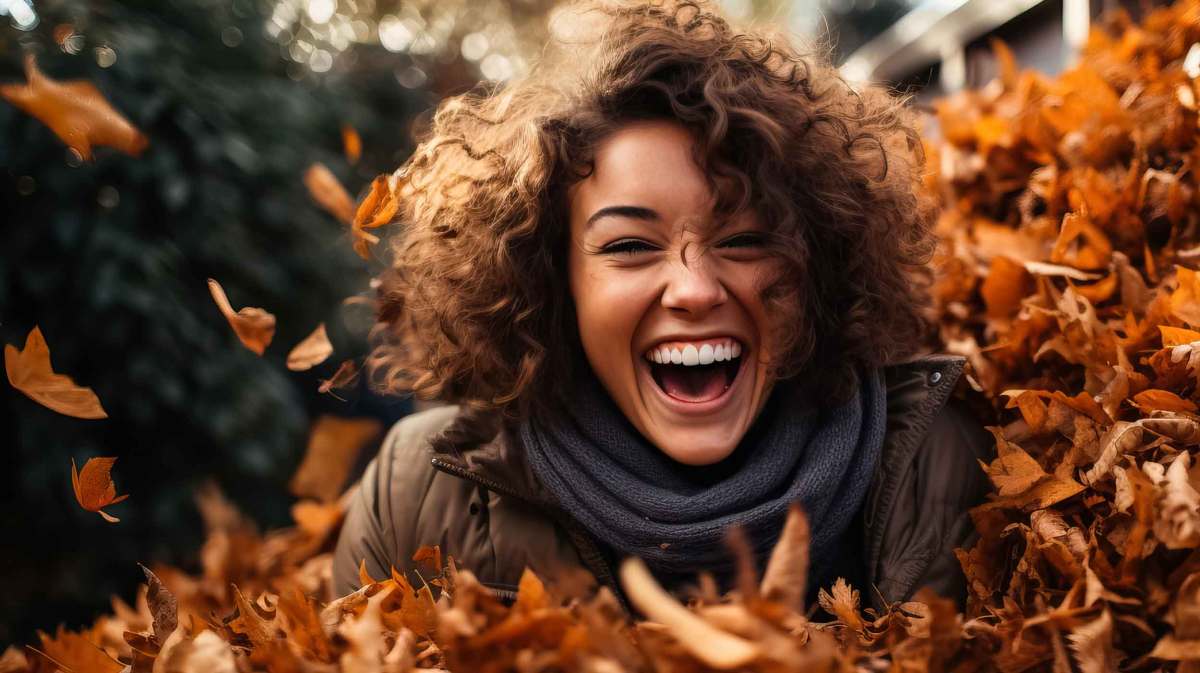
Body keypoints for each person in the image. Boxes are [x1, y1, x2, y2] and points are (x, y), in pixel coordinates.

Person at [332, 0, 993, 613]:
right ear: (553, 282)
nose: (695, 288)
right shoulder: (418, 489)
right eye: (629, 246)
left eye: (742, 239)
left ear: (814, 266)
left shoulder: (940, 465)